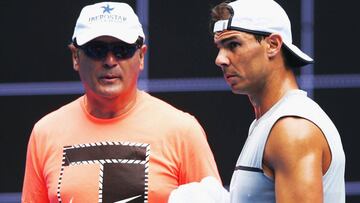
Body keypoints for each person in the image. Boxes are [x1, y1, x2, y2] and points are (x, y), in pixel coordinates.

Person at [21, 2, 221, 203]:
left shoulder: (182, 131)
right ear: (76, 56)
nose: (109, 61)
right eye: (96, 49)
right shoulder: (45, 133)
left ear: (141, 56)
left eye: (122, 50)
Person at [169, 0, 345, 202]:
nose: (220, 59)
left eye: (233, 45)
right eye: (219, 47)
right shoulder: (271, 122)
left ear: (273, 45)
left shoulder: (292, 128)